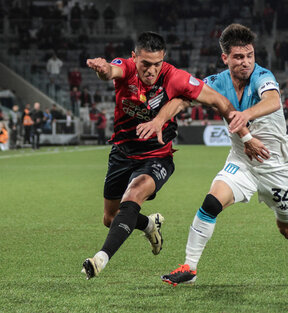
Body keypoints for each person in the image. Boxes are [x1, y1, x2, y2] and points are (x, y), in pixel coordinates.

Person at [81, 31, 267, 280]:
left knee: (134, 194)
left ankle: (100, 258)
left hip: (157, 156)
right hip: (122, 153)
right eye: (145, 64)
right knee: (110, 218)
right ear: (134, 57)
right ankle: (149, 225)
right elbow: (110, 72)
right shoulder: (125, 68)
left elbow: (221, 102)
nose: (151, 71)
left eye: (157, 64)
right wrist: (102, 69)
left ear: (164, 59)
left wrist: (246, 138)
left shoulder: (175, 77)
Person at [155, 24, 288, 286]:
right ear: (225, 58)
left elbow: (273, 101)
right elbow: (185, 99)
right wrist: (161, 117)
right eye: (238, 57)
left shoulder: (262, 76)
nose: (246, 62)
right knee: (211, 203)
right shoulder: (216, 82)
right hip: (242, 162)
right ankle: (190, 267)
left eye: (249, 56)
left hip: (276, 166)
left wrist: (245, 114)